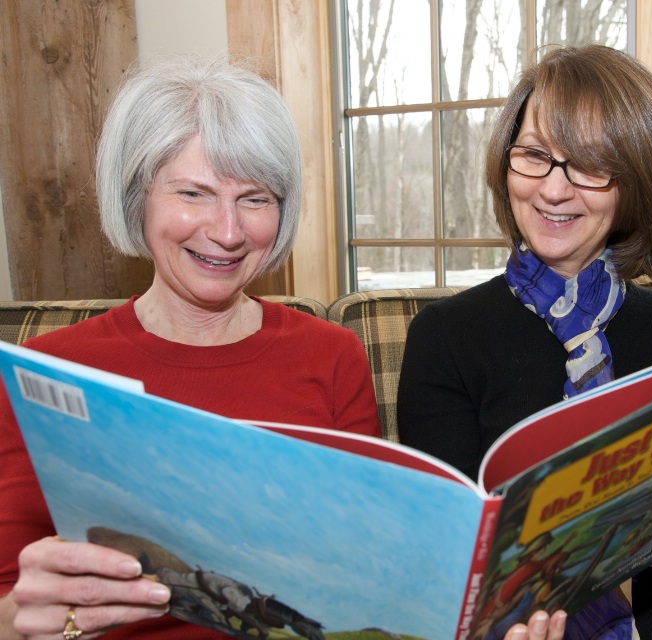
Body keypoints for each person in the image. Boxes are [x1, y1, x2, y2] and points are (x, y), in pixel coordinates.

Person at [396, 44, 652, 640]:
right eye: (535, 156)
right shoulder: (444, 336)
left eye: (591, 165)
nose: (554, 191)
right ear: (506, 165)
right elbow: (442, 561)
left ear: (636, 183)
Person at [0, 56, 381, 639]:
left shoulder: (333, 355)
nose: (227, 231)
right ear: (138, 198)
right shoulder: (47, 370)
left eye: (255, 199)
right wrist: (36, 622)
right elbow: (10, 596)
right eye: (193, 193)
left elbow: (364, 566)